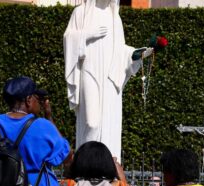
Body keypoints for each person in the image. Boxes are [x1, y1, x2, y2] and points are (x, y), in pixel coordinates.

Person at [63, 0, 153, 161]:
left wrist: (138, 54)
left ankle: (108, 165)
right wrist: (88, 34)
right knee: (91, 122)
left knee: (109, 122)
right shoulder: (80, 12)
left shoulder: (115, 18)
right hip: (89, 72)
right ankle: (86, 165)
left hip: (110, 78)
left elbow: (121, 51)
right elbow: (69, 38)